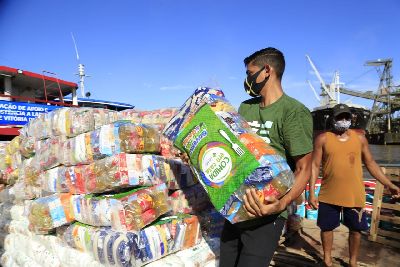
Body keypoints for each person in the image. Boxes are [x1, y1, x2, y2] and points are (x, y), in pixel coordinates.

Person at [219, 47, 313, 267]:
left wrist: (281, 205)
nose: (247, 79)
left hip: (266, 215)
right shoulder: (245, 107)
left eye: (250, 73)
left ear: (267, 70)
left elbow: (304, 168)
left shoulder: (293, 112)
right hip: (236, 209)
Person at [308, 103, 400, 267]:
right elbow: (314, 166)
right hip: (329, 194)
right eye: (339, 117)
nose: (343, 120)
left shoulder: (360, 139)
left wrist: (388, 184)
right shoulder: (322, 139)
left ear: (351, 119)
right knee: (326, 228)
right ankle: (327, 260)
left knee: (356, 229)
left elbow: (371, 164)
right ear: (333, 119)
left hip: (354, 194)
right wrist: (312, 193)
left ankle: (353, 262)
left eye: (346, 117)